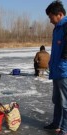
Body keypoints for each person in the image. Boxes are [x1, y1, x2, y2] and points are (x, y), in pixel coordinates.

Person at [44, 1, 67, 135]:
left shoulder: (65, 26)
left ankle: (64, 129)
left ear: (59, 14)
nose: (50, 20)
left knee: (65, 102)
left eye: (51, 17)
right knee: (57, 100)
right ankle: (56, 124)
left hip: (64, 71)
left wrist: (63, 60)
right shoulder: (57, 28)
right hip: (56, 69)